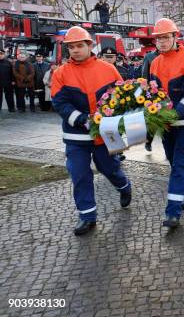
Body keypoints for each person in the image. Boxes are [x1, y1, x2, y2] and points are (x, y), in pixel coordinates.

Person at [51, 26, 132, 236]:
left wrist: (117, 119)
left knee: (109, 168)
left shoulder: (108, 69)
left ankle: (123, 186)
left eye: (79, 46)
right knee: (79, 174)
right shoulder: (61, 74)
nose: (75, 50)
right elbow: (60, 103)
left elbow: (121, 97)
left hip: (107, 133)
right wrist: (81, 120)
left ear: (89, 46)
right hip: (76, 136)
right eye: (71, 47)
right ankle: (87, 216)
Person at [149, 18, 184, 229]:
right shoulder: (154, 62)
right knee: (174, 161)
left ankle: (173, 212)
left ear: (175, 37)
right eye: (158, 39)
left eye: (165, 38)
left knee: (180, 164)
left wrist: (175, 113)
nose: (161, 42)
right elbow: (152, 93)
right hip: (166, 121)